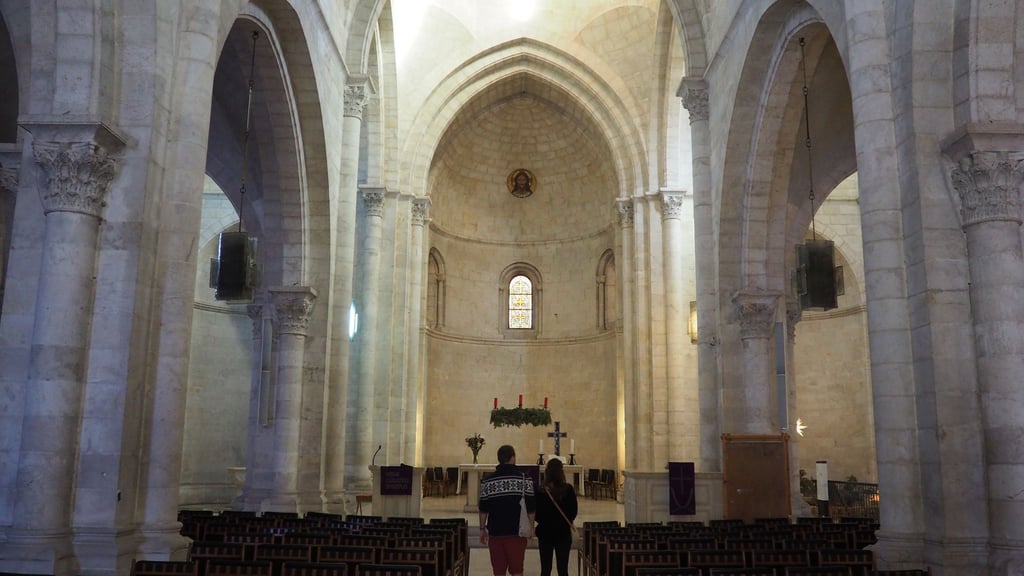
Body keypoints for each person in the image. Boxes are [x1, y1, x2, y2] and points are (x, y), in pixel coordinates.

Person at [479, 444, 535, 576]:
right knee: (517, 571)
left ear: (499, 459)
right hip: (517, 532)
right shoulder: (524, 479)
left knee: (498, 571)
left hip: (495, 532)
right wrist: (531, 528)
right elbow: (531, 507)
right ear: (513, 458)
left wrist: (482, 529)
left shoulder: (487, 481)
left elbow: (483, 509)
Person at [535, 457, 578, 576]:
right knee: (563, 569)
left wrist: (546, 520)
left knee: (545, 569)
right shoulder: (568, 489)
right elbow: (573, 511)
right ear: (561, 472)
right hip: (563, 533)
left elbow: (536, 514)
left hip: (545, 533)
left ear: (547, 472)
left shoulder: (540, 491)